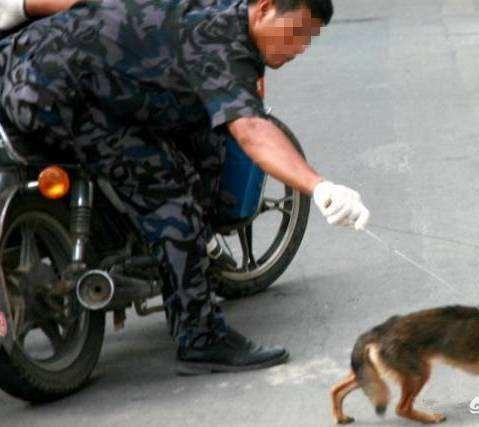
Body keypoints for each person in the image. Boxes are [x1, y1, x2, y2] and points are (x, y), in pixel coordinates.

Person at [0, 0, 370, 374]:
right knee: (173, 203)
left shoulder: (215, 11)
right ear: (264, 9)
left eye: (308, 40)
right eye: (297, 32)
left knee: (185, 130)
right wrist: (320, 187)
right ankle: (200, 337)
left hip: (17, 67)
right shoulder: (220, 44)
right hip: (58, 101)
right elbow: (251, 132)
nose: (299, 47)